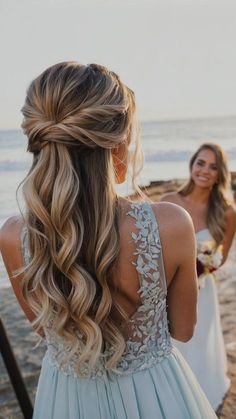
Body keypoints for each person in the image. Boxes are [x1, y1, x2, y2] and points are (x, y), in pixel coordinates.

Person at [0, 62, 217, 419]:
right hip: (155, 395)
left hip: (67, 398)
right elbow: (183, 329)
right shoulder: (172, 225)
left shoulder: (12, 236)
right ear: (119, 143)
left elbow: (44, 328)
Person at [161, 143, 236, 410]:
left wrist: (201, 268)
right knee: (170, 343)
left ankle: (200, 394)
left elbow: (222, 257)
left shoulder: (226, 213)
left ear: (220, 173)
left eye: (213, 166)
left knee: (199, 341)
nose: (205, 170)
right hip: (167, 289)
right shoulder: (169, 201)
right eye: (201, 163)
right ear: (192, 164)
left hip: (203, 288)